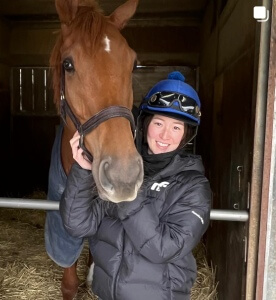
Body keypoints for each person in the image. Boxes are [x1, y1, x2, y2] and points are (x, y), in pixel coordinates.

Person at [59, 71, 212, 300]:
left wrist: (127, 189)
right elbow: (78, 224)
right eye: (158, 123)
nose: (165, 135)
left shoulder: (193, 186)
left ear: (186, 136)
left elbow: (163, 248)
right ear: (144, 124)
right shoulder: (120, 169)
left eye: (176, 128)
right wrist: (82, 170)